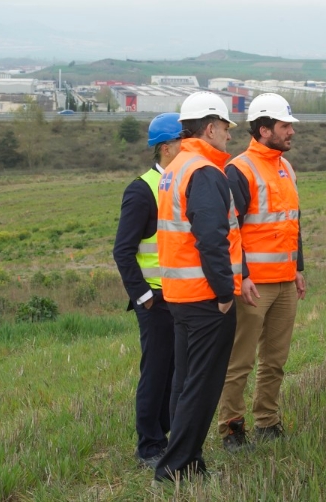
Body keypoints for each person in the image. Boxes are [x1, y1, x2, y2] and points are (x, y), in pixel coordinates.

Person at [153, 92, 242, 482]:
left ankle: (187, 459)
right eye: (225, 129)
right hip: (206, 298)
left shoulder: (176, 167)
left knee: (186, 382)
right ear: (210, 127)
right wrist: (225, 293)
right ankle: (175, 468)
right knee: (201, 388)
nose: (228, 137)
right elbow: (211, 239)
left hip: (180, 295)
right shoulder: (205, 173)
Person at [218, 93, 306, 451]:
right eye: (285, 126)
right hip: (254, 286)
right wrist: (242, 276)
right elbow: (229, 230)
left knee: (276, 360)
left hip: (285, 283)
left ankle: (268, 422)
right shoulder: (239, 169)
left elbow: (291, 223)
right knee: (240, 362)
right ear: (264, 128)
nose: (291, 133)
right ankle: (232, 429)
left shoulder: (286, 167)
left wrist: (298, 268)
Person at [112, 113, 182, 469]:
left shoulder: (184, 183)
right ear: (167, 148)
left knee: (175, 371)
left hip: (183, 296)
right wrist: (144, 296)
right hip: (155, 300)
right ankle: (149, 445)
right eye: (184, 143)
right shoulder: (142, 190)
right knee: (155, 371)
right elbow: (122, 250)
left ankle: (168, 434)